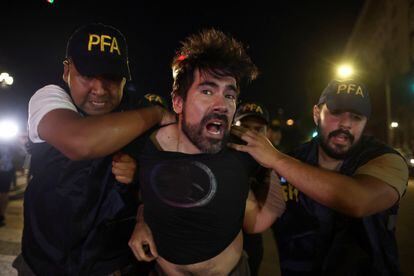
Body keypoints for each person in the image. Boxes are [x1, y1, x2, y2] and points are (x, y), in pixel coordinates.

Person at [15, 23, 172, 275]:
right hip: (44, 264)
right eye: (87, 75)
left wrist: (140, 183)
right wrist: (156, 113)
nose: (99, 89)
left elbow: (168, 178)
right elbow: (80, 142)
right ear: (67, 71)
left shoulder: (137, 111)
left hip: (112, 266)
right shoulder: (49, 97)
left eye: (110, 77)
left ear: (125, 78)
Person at [128, 28, 284, 275]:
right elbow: (144, 198)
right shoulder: (147, 148)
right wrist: (140, 222)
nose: (222, 105)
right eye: (207, 91)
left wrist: (276, 166)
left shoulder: (242, 151)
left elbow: (257, 222)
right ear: (178, 101)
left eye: (230, 95)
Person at [230, 79, 409, 275]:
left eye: (356, 117)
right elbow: (257, 222)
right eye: (336, 112)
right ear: (316, 114)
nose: (346, 123)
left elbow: (359, 201)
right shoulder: (291, 160)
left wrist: (276, 159)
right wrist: (237, 170)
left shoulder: (385, 159)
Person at [233, 102, 273, 276]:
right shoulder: (216, 155)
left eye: (258, 129)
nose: (250, 134)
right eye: (245, 127)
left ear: (267, 133)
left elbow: (258, 221)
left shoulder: (270, 166)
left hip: (249, 243)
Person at [0, 140, 16, 227]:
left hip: (6, 171)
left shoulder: (12, 144)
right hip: (6, 171)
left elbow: (24, 152)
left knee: (4, 194)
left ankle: (1, 215)